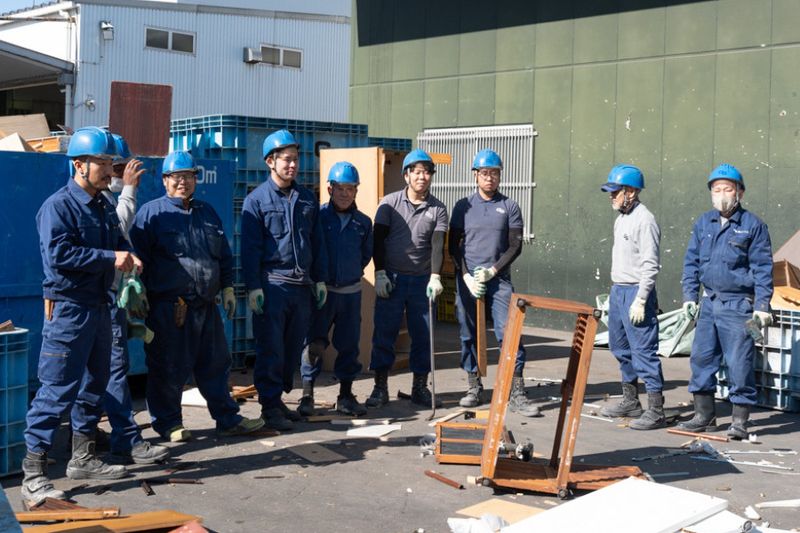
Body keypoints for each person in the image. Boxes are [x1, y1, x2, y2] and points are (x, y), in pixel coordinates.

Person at [22, 127, 137, 503]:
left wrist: (130, 256)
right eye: (102, 163)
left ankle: (83, 457)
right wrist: (111, 257)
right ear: (79, 165)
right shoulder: (58, 207)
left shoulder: (104, 205)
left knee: (94, 385)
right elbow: (59, 255)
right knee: (56, 389)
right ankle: (33, 474)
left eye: (110, 162)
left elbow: (118, 240)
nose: (110, 170)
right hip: (69, 309)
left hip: (100, 306)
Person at [129, 151, 263, 442]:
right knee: (167, 368)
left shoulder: (207, 212)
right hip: (169, 309)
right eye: (177, 177)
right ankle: (169, 424)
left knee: (216, 365)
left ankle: (227, 419)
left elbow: (223, 255)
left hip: (206, 306)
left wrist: (227, 287)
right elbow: (137, 259)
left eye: (189, 176)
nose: (183, 182)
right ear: (165, 180)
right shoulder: (151, 214)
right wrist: (138, 291)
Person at [678, 163, 773, 440]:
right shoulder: (703, 223)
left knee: (739, 362)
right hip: (709, 303)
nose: (721, 194)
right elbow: (691, 263)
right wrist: (689, 297)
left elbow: (763, 269)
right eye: (716, 189)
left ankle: (740, 422)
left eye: (727, 189)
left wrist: (762, 306)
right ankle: (704, 416)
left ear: (740, 192)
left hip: (739, 306)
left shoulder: (753, 226)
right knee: (701, 358)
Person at [241, 130, 328, 430]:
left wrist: (319, 279)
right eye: (286, 160)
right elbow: (249, 249)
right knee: (271, 349)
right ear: (270, 162)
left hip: (301, 286)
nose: (293, 165)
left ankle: (277, 399)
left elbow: (317, 242)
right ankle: (269, 406)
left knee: (291, 349)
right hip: (273, 285)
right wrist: (253, 287)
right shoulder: (256, 201)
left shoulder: (307, 199)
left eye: (296, 159)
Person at [448, 149, 540, 417]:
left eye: (495, 173)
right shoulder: (463, 206)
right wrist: (466, 276)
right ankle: (474, 387)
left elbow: (515, 246)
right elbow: (453, 246)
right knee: (468, 332)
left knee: (509, 332)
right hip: (469, 281)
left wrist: (493, 270)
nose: (490, 178)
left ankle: (516, 391)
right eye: (485, 173)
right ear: (476, 175)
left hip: (498, 280)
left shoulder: (509, 206)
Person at [101, 134, 169, 464]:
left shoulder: (100, 199)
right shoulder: (97, 200)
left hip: (107, 298)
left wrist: (130, 259)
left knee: (102, 371)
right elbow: (116, 226)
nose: (120, 174)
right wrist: (128, 190)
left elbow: (116, 240)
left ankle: (86, 438)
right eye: (116, 168)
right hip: (98, 302)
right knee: (113, 370)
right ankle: (125, 439)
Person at [366, 149, 448, 409]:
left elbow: (438, 245)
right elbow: (378, 240)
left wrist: (435, 276)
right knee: (384, 334)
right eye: (417, 172)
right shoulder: (389, 203)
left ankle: (419, 387)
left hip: (422, 281)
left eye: (427, 172)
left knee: (423, 336)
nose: (422, 177)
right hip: (392, 278)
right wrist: (379, 273)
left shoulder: (438, 208)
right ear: (406, 175)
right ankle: (380, 387)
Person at [298, 162, 373, 417]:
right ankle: (307, 395)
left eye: (350, 189)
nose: (344, 194)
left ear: (356, 191)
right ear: (329, 189)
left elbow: (365, 256)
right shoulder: (318, 217)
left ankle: (346, 396)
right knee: (314, 344)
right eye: (340, 188)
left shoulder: (363, 223)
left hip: (350, 294)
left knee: (349, 346)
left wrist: (348, 274)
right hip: (322, 293)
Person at [598, 164, 665, 430]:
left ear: (632, 192)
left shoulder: (645, 220)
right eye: (611, 191)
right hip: (619, 291)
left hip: (637, 292)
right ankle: (630, 401)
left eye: (615, 191)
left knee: (643, 351)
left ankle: (656, 410)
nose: (611, 196)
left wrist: (641, 298)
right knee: (620, 347)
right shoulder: (621, 219)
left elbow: (650, 264)